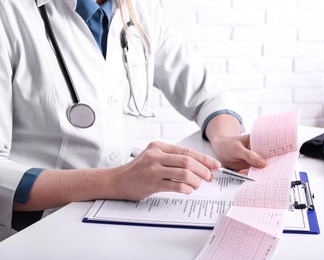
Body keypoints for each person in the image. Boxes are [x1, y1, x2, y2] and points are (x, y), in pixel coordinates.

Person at [0, 0, 267, 234]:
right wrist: (114, 181)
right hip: (37, 229)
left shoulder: (141, 9)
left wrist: (225, 138)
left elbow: (207, 94)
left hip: (114, 219)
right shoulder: (8, 12)